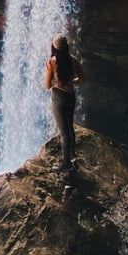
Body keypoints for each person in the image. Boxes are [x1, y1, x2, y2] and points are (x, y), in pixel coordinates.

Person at [45, 34, 85, 171]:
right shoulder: (73, 60)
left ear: (54, 47)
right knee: (70, 126)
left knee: (63, 132)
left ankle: (66, 163)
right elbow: (81, 79)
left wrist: (57, 82)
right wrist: (70, 81)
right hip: (71, 96)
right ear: (66, 47)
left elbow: (47, 85)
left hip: (58, 98)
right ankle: (72, 154)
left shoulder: (52, 62)